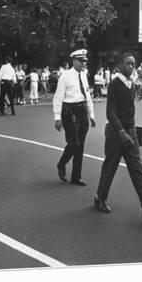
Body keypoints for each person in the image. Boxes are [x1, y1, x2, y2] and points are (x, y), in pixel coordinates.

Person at [93, 52, 142, 222]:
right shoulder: (114, 84)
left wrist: (133, 130)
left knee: (137, 168)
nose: (132, 67)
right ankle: (100, 198)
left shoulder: (132, 85)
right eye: (128, 64)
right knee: (110, 167)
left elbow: (130, 111)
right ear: (120, 65)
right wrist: (121, 132)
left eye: (133, 64)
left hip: (130, 132)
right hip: (115, 133)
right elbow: (110, 112)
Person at [53, 49, 96, 186]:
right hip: (70, 112)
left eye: (85, 61)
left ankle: (76, 176)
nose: (84, 63)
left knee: (80, 146)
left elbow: (87, 95)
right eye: (82, 61)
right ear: (74, 61)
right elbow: (58, 98)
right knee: (74, 143)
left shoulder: (83, 75)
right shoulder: (65, 76)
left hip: (82, 111)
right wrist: (57, 117)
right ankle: (61, 164)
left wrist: (91, 115)